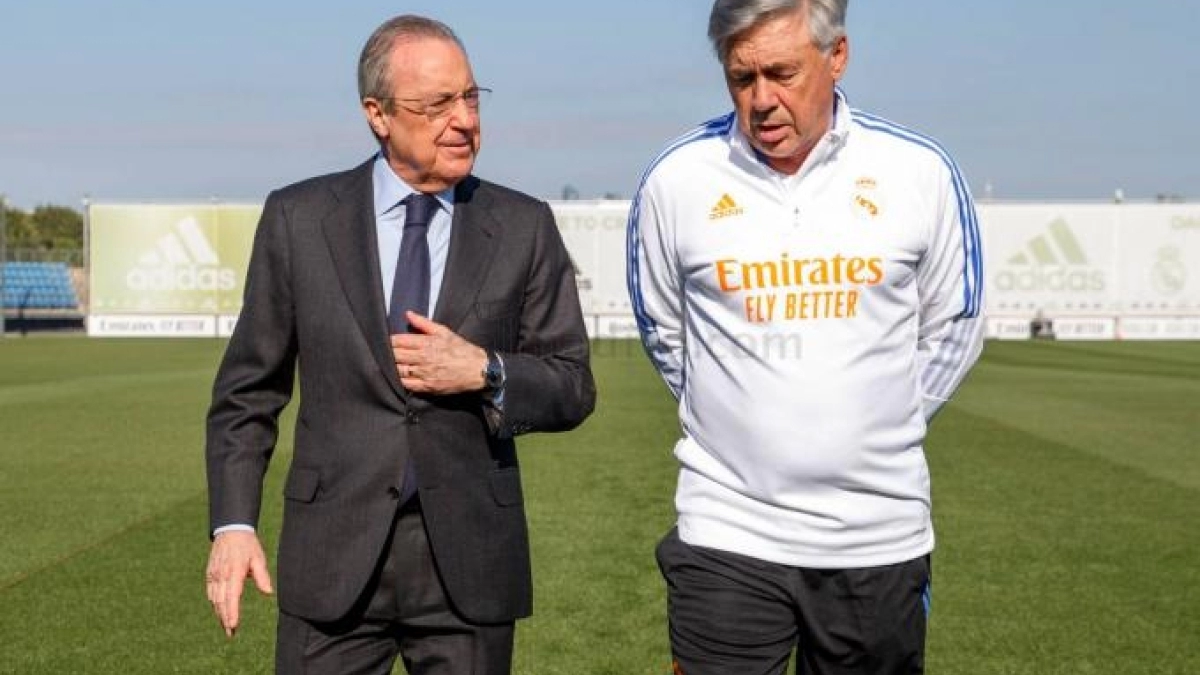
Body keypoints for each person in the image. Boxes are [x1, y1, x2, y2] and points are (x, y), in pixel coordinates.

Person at [204, 14, 595, 675]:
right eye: (437, 103)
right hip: (331, 560)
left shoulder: (524, 226)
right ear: (377, 115)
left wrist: (486, 370)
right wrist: (233, 525)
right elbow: (248, 392)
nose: (464, 120)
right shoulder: (298, 220)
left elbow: (573, 384)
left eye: (470, 97)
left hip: (469, 566)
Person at [626, 1, 984, 673]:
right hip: (726, 529)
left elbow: (956, 327)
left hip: (877, 536)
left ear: (837, 56)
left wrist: (876, 420)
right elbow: (663, 331)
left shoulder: (919, 171)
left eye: (782, 73)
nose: (761, 99)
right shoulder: (677, 177)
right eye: (741, 77)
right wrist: (743, 417)